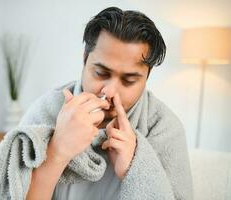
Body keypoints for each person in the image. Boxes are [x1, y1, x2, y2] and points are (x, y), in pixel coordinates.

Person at [25, 6, 193, 200]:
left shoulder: (164, 129)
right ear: (85, 60)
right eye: (101, 73)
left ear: (147, 77)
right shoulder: (46, 112)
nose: (110, 92)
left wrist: (135, 171)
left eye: (129, 81)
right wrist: (57, 152)